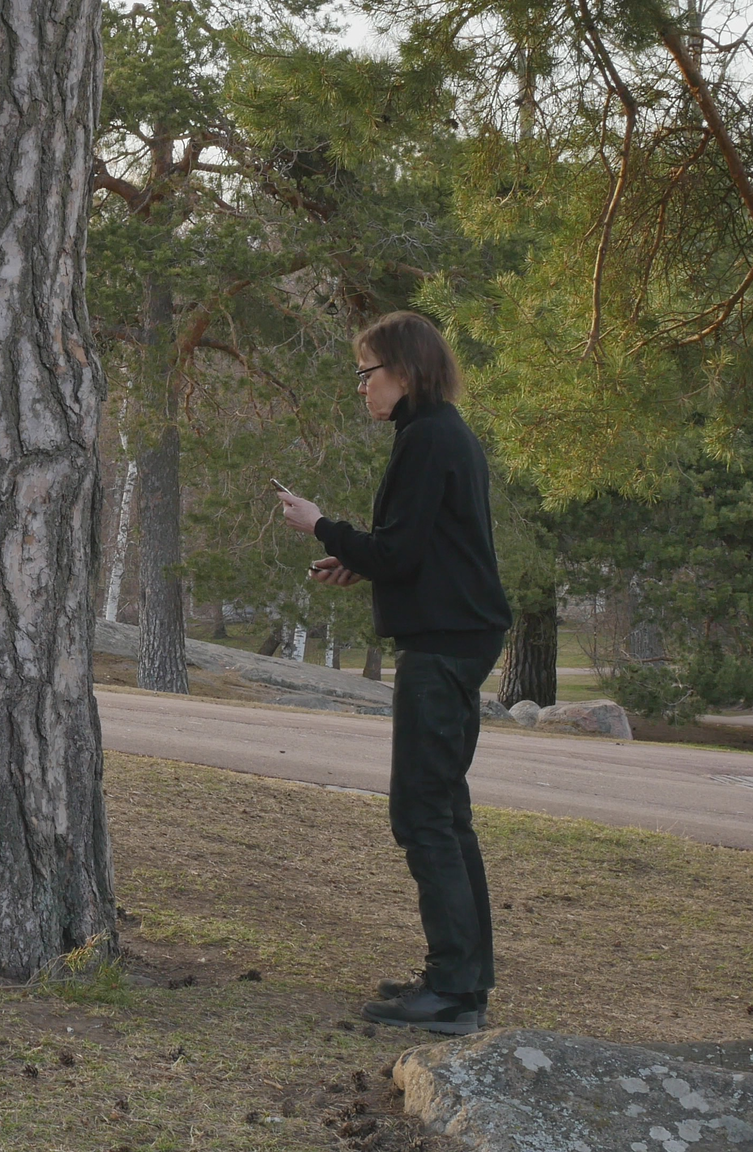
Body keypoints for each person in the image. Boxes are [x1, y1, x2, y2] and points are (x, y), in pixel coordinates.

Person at [275, 311, 512, 1036]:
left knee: (422, 814)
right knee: (444, 812)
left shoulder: (429, 438)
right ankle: (462, 980)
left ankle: (452, 992)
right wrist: (358, 559)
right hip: (456, 636)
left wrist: (320, 524)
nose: (361, 387)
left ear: (404, 372)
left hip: (443, 645)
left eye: (366, 372)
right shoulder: (438, 433)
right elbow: (417, 548)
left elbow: (402, 552)